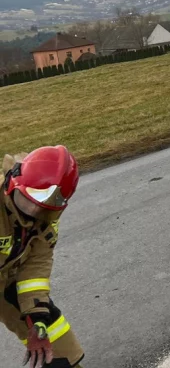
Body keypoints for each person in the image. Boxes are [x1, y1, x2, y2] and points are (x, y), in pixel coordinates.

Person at [1, 146, 83, 368]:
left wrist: (36, 316)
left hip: (6, 279)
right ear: (13, 180)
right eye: (27, 201)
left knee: (53, 333)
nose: (32, 213)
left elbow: (35, 268)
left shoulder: (46, 222)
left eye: (42, 208)